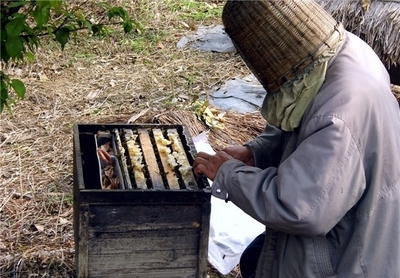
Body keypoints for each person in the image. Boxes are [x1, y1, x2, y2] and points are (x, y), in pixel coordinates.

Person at [193, 0, 400, 277]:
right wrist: (257, 153)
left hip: (351, 257)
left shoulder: (338, 116)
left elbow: (299, 208)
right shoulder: (349, 48)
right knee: (256, 257)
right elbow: (305, 133)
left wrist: (229, 175)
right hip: (362, 222)